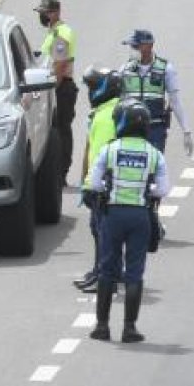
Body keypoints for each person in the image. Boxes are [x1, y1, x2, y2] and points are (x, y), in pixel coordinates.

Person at [87, 99, 170, 344]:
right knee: (134, 272)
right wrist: (144, 189)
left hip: (112, 215)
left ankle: (102, 326)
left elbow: (94, 183)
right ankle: (129, 328)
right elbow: (162, 189)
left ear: (120, 121)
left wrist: (111, 187)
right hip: (140, 217)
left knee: (107, 269)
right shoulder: (154, 154)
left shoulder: (110, 150)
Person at [74, 66, 122, 293]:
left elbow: (99, 157)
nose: (90, 93)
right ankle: (100, 271)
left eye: (93, 87)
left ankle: (105, 277)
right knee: (99, 230)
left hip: (102, 188)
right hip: (104, 186)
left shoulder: (105, 116)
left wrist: (90, 186)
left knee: (103, 231)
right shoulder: (107, 111)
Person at [121, 29, 193, 156]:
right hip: (131, 130)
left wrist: (186, 131)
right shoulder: (125, 70)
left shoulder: (165, 69)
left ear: (149, 46)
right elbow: (118, 101)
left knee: (154, 164)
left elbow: (175, 102)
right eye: (132, 47)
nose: (133, 50)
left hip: (155, 129)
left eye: (136, 46)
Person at [33, 0, 78, 185]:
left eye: (47, 13)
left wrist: (51, 90)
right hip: (55, 86)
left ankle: (61, 173)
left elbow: (60, 65)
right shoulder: (53, 32)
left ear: (57, 12)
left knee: (60, 131)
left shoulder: (61, 34)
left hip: (60, 87)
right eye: (42, 13)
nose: (43, 16)